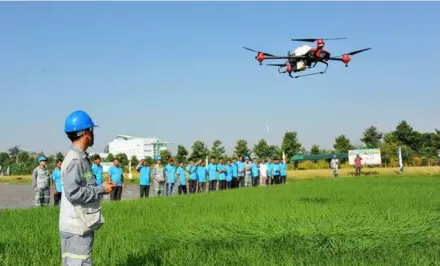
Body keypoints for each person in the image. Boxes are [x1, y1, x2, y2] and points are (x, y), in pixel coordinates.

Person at [59, 110, 114, 266]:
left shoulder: (81, 158)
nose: (93, 134)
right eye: (92, 130)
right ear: (86, 133)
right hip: (75, 227)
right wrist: (101, 189)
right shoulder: (76, 160)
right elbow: (73, 193)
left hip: (81, 224)